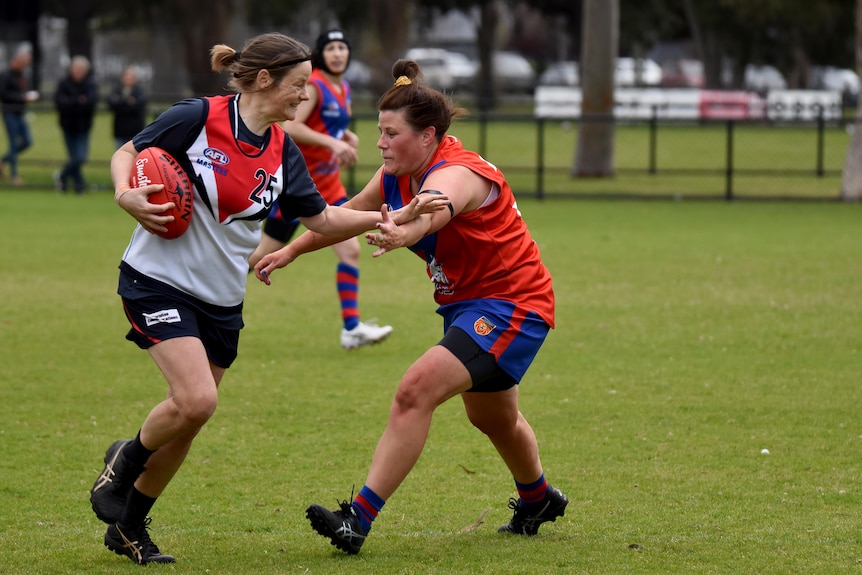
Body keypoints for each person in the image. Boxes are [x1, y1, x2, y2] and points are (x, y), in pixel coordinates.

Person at [88, 34, 448, 566]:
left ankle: (129, 527)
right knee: (196, 400)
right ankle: (123, 462)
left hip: (221, 299)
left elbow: (324, 218)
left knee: (190, 419)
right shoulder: (197, 117)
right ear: (264, 80)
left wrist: (391, 215)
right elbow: (129, 153)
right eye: (298, 86)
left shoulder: (283, 151)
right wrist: (126, 194)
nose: (303, 98)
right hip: (156, 279)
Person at [254, 59, 567, 555]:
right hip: (466, 307)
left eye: (390, 133)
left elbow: (436, 207)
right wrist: (291, 249)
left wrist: (409, 230)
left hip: (513, 305)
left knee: (414, 391)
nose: (380, 142)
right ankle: (538, 499)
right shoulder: (395, 174)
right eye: (378, 131)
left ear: (428, 137)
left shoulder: (458, 174)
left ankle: (357, 518)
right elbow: (343, 217)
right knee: (492, 418)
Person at [249, 29, 392, 350]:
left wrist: (345, 138)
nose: (338, 53)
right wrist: (331, 142)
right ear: (320, 54)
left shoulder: (344, 88)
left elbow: (331, 127)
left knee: (350, 249)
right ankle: (209, 297)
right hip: (300, 187)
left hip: (329, 185)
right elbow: (292, 126)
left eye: (343, 47)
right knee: (260, 256)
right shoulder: (314, 86)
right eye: (332, 48)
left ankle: (352, 328)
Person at [54, 55, 98, 194]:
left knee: (80, 157)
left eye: (81, 69)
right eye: (76, 69)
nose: (78, 72)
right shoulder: (64, 83)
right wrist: (78, 101)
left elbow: (90, 103)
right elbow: (60, 103)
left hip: (83, 126)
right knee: (74, 157)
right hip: (67, 125)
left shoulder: (90, 84)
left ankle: (62, 176)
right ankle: (79, 186)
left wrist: (71, 102)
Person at [0, 45, 39, 186]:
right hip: (10, 113)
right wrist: (21, 97)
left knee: (27, 142)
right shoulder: (6, 74)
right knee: (13, 143)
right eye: (26, 62)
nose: (27, 65)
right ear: (19, 60)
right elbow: (3, 94)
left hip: (20, 113)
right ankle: (14, 176)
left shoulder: (21, 74)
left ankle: (2, 161)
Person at [107, 65, 148, 149]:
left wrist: (121, 103)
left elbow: (139, 105)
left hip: (136, 131)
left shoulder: (139, 91)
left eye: (131, 77)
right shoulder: (117, 90)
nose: (128, 79)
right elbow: (111, 104)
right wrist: (128, 103)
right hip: (120, 130)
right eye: (126, 76)